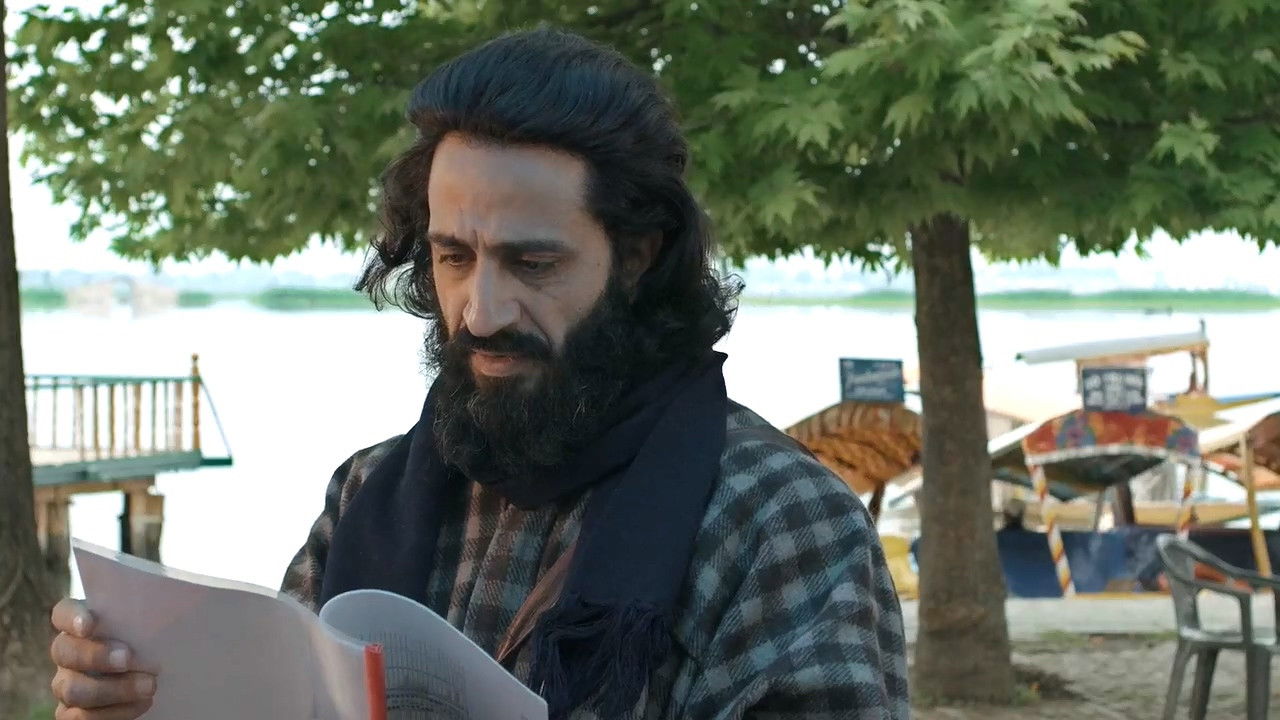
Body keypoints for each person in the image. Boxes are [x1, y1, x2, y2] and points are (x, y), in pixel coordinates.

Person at [48, 28, 908, 720]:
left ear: (638, 257)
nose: (481, 311)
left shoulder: (781, 525)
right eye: (454, 257)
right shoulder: (366, 490)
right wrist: (142, 703)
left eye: (532, 263)